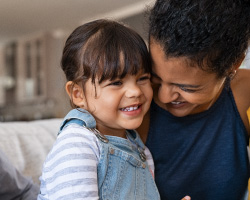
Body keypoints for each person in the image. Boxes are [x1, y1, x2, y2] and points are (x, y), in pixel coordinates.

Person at [38, 19, 192, 200]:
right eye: (116, 82)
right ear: (78, 94)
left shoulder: (140, 149)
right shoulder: (78, 145)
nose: (135, 91)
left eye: (143, 78)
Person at [138, 0, 250, 199]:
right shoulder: (134, 107)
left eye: (186, 87)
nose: (163, 96)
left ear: (233, 65)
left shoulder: (244, 94)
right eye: (155, 77)